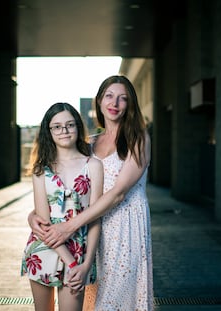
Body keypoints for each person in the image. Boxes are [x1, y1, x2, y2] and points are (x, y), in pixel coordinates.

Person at [29, 76, 155, 310]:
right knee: (91, 300)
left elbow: (118, 193)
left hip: (124, 228)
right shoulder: (89, 143)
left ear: (131, 105)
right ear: (99, 100)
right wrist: (33, 215)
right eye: (109, 96)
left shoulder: (138, 139)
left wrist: (69, 226)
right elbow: (66, 189)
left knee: (118, 299)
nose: (114, 103)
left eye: (123, 98)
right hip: (90, 231)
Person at [21, 102, 103, 311]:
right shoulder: (41, 169)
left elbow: (95, 218)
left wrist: (85, 264)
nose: (64, 131)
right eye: (56, 126)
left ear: (77, 127)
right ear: (48, 132)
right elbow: (43, 223)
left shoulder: (93, 165)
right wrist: (71, 262)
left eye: (69, 125)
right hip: (44, 248)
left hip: (79, 251)